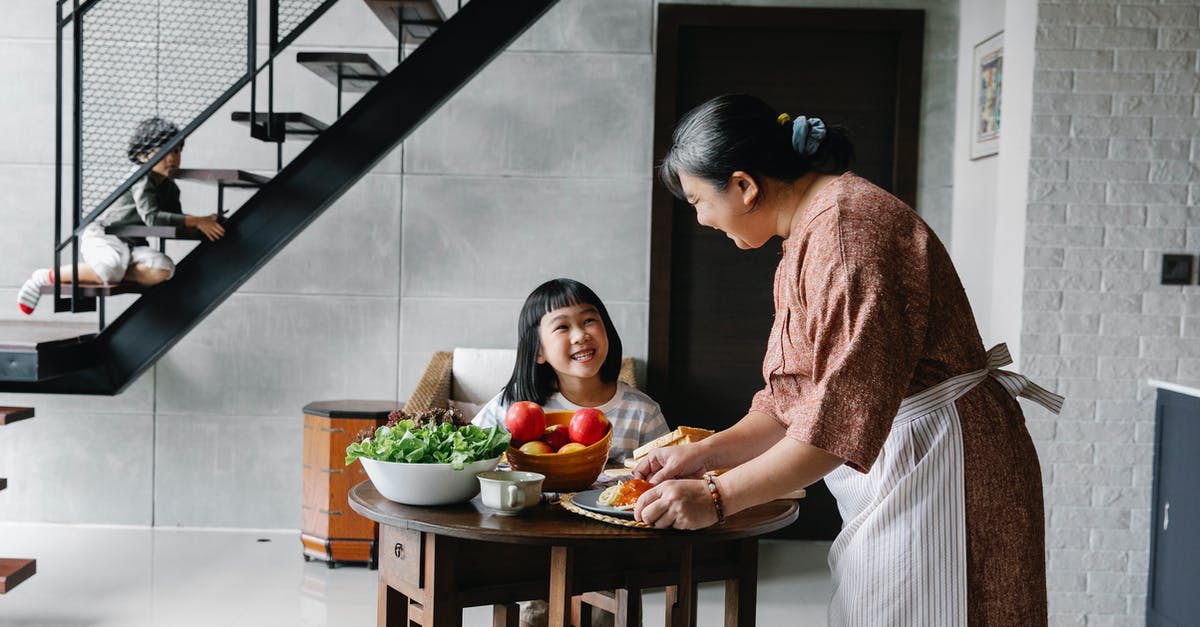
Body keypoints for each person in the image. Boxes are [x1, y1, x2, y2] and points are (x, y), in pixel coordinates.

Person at [633, 94, 1063, 625]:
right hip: (905, 453)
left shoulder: (847, 233)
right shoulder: (810, 232)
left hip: (944, 460)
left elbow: (840, 418)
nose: (700, 218)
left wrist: (717, 498)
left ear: (744, 187)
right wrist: (708, 454)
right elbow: (791, 397)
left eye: (698, 200)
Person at [472, 277, 671, 627]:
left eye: (589, 320)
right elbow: (471, 453)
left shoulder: (641, 411)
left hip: (610, 556)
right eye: (563, 327)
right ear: (538, 350)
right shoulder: (518, 407)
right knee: (537, 611)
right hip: (533, 551)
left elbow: (664, 476)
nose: (581, 334)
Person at [17, 117, 224, 314]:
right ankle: (44, 277)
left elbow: (173, 220)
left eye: (177, 150)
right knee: (109, 269)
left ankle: (116, 269)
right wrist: (197, 220)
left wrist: (206, 221)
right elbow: (153, 218)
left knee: (165, 269)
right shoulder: (140, 176)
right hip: (104, 235)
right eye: (164, 150)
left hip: (132, 243)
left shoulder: (170, 187)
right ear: (142, 156)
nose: (172, 157)